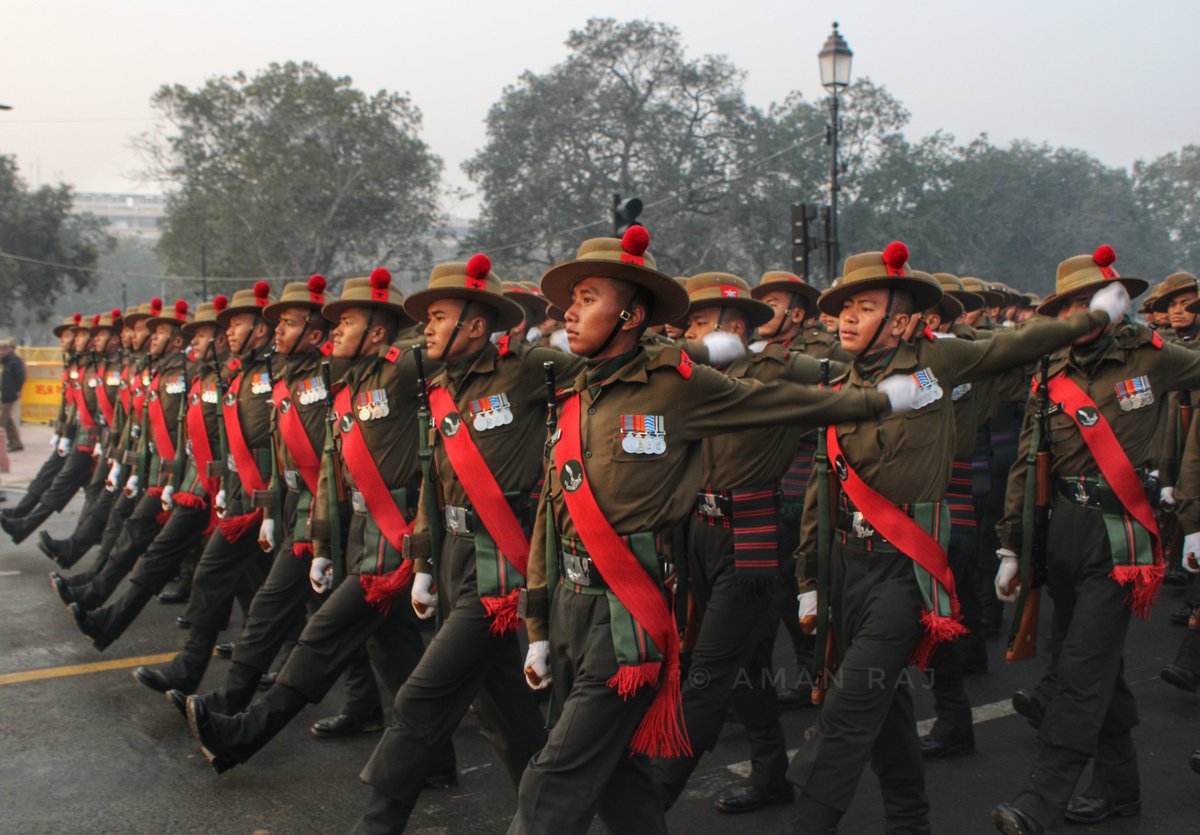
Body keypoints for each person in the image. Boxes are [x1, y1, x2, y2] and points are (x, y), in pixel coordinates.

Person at [508, 228, 908, 835]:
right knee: (631, 765)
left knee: (561, 770)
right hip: (594, 589)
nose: (570, 310)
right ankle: (765, 768)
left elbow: (791, 406)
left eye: (589, 297)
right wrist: (538, 620)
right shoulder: (577, 390)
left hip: (664, 587)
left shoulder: (683, 383)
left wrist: (879, 401)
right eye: (574, 298)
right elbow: (552, 509)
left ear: (632, 314)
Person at [782, 241, 1124, 835]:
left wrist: (1096, 316)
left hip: (905, 569)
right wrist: (811, 576)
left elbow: (1020, 344)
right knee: (882, 708)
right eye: (844, 308)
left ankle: (806, 823)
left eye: (864, 307)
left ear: (905, 317)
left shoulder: (939, 363)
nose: (847, 319)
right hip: (847, 565)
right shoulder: (840, 378)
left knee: (849, 707)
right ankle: (910, 820)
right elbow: (823, 483)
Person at [186, 269, 452, 779]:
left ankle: (244, 734)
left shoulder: (399, 369)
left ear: (377, 332)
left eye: (345, 322)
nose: (332, 332)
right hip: (360, 536)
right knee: (396, 656)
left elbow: (449, 351)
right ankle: (436, 762)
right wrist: (324, 539)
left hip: (392, 544)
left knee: (321, 636)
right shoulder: (348, 380)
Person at [349, 254, 578, 834]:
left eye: (439, 315)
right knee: (502, 710)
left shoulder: (526, 367)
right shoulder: (440, 383)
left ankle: (377, 824)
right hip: (453, 555)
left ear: (476, 325)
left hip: (500, 562)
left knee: (421, 696)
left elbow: (609, 369)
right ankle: (548, 816)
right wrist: (424, 562)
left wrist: (696, 351)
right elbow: (435, 476)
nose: (426, 326)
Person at [988, 246, 1200, 834]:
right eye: (1073, 304)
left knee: (1081, 670)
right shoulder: (1049, 366)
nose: (1086, 312)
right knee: (1082, 657)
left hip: (1124, 532)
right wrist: (1011, 543)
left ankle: (1044, 796)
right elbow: (1028, 460)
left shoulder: (1151, 358)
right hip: (1063, 529)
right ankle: (1121, 786)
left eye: (1094, 300)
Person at [1, 337, 26, 452]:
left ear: (7, 350)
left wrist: (18, 390)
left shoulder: (14, 361)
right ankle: (16, 443)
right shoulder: (3, 362)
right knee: (8, 420)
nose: (0, 352)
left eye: (2, 349)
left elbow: (21, 377)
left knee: (2, 420)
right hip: (2, 394)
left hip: (9, 395)